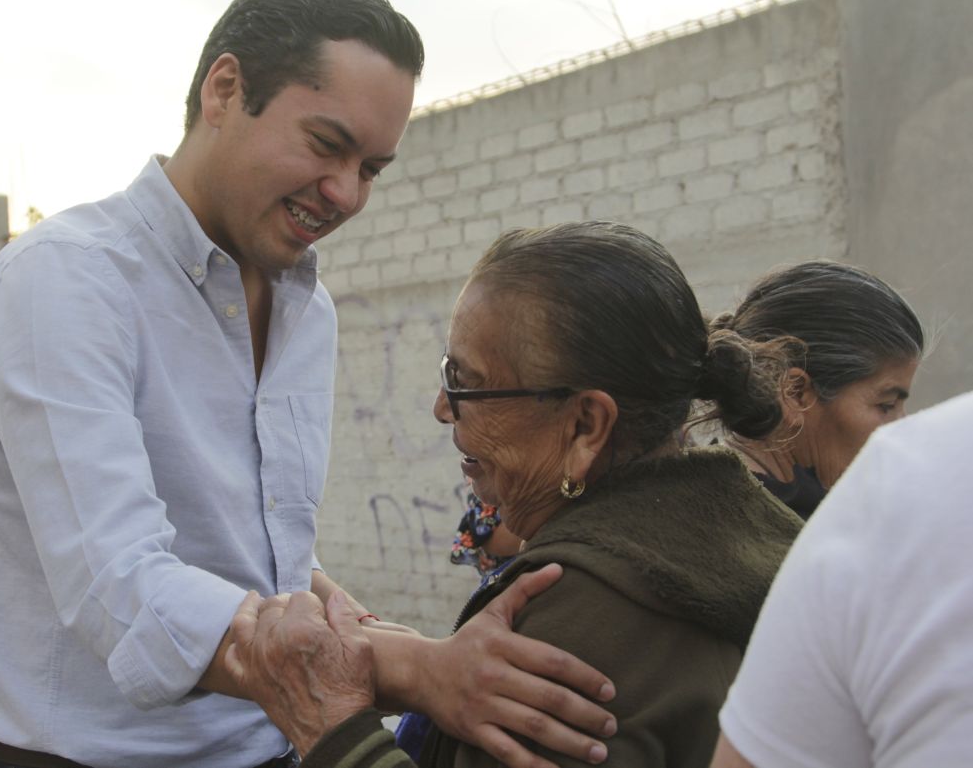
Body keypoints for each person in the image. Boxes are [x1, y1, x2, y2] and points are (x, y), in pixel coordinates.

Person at [0, 0, 617, 768]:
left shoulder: (310, 310)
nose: (343, 193)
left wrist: (368, 631)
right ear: (225, 90)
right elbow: (121, 584)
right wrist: (413, 668)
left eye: (371, 168)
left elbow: (262, 553)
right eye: (326, 145)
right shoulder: (62, 281)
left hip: (282, 742)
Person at [226, 221, 806, 767]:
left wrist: (334, 725)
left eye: (466, 383)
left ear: (584, 425)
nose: (440, 407)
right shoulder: (760, 541)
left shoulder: (570, 635)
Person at [711, 389, 973, 768]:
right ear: (796, 394)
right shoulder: (898, 481)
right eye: (885, 405)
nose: (899, 421)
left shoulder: (898, 475)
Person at [714, 260, 924, 519]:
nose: (902, 428)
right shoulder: (730, 520)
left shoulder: (818, 502)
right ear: (796, 393)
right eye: (886, 405)